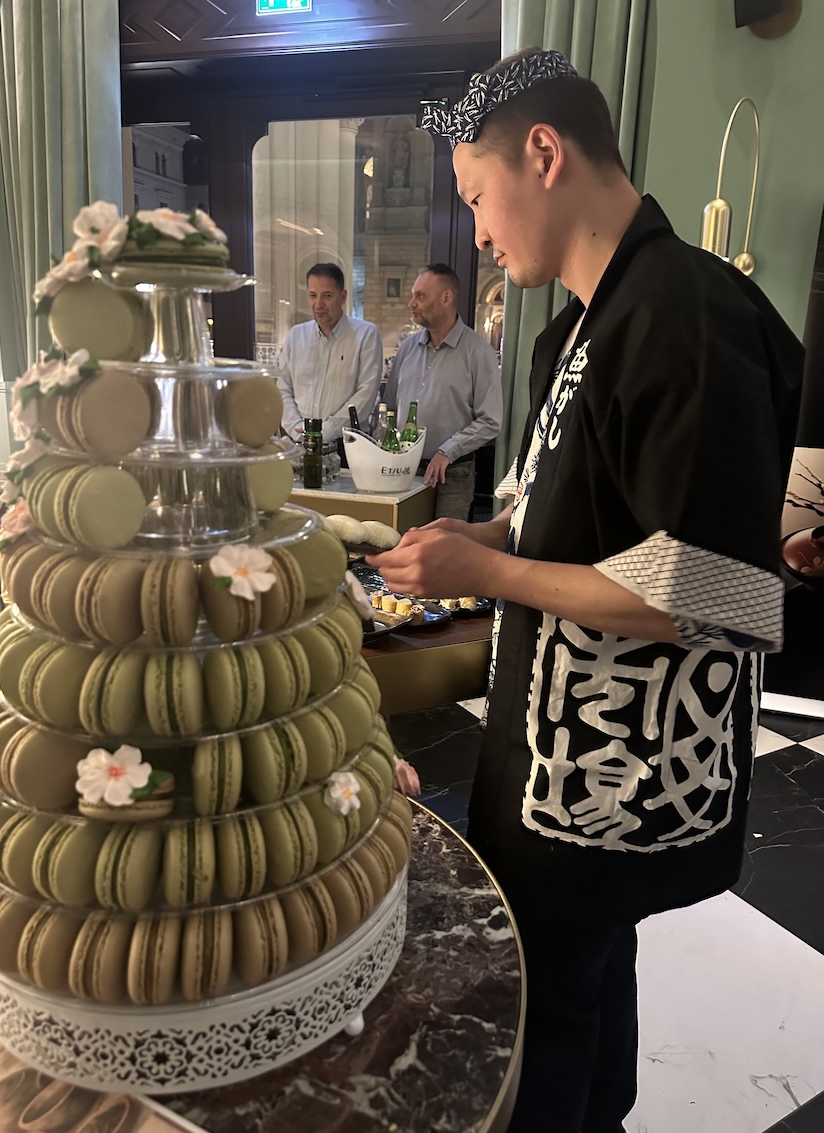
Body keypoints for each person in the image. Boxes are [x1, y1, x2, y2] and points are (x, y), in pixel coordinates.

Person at [370, 47, 803, 1133]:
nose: (477, 232)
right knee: (584, 983)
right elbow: (575, 507)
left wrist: (487, 569)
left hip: (612, 773)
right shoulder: (578, 325)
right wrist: (486, 531)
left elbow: (715, 588)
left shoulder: (683, 311)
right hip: (553, 754)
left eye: (478, 196)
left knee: (554, 1014)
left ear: (544, 155)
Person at [385, 263, 502, 520]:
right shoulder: (406, 349)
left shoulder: (478, 352)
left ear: (446, 298)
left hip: (454, 475)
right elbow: (389, 407)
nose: (411, 303)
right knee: (402, 538)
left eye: (420, 296)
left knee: (444, 542)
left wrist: (447, 451)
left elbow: (490, 420)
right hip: (404, 470)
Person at [276, 262, 382, 448]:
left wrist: (323, 432)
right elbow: (283, 389)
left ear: (343, 297)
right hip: (299, 441)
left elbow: (366, 395)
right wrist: (297, 430)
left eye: (327, 296)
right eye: (313, 295)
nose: (319, 304)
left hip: (346, 446)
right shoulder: (296, 336)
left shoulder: (366, 335)